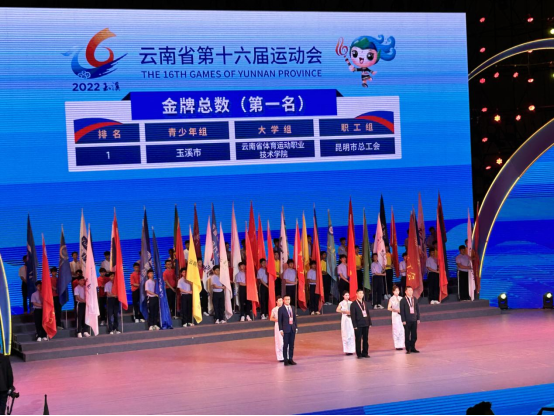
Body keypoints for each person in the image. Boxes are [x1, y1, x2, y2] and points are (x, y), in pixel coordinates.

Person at [349, 288, 372, 359]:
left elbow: (368, 313)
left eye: (362, 293)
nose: (361, 294)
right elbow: (353, 316)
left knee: (365, 339)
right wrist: (354, 325)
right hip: (358, 324)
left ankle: (365, 353)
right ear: (356, 294)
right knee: (358, 339)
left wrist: (369, 322)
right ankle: (359, 354)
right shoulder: (353, 304)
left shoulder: (365, 303)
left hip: (365, 323)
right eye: (359, 293)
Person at [278, 295, 298, 366]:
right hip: (285, 329)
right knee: (285, 345)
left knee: (291, 345)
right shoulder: (281, 309)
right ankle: (285, 360)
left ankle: (290, 359)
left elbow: (295, 318)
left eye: (288, 299)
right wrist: (280, 329)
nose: (287, 301)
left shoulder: (292, 307)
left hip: (292, 328)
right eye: (286, 299)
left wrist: (296, 327)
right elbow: (280, 320)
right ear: (283, 300)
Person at [400, 286, 420, 354]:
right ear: (406, 292)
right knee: (407, 335)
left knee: (414, 335)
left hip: (414, 319)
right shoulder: (403, 300)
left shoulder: (415, 299)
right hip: (407, 320)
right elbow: (402, 311)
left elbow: (417, 309)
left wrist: (418, 318)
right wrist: (403, 320)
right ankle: (408, 348)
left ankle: (413, 347)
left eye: (411, 290)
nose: (411, 292)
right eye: (409, 290)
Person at [336, 291, 355, 355]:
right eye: (346, 295)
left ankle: (351, 350)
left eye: (348, 295)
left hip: (350, 318)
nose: (347, 296)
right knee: (345, 333)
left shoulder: (351, 303)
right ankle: (346, 350)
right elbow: (337, 310)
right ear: (343, 296)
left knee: (351, 333)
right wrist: (344, 311)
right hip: (345, 318)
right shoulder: (341, 303)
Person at [387, 285, 405, 350]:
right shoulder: (391, 299)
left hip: (401, 314)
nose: (397, 292)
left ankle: (401, 344)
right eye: (395, 291)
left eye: (398, 291)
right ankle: (397, 345)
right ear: (393, 292)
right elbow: (388, 308)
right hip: (395, 314)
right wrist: (395, 310)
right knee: (396, 329)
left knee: (401, 329)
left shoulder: (401, 298)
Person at [269, 296, 284, 362]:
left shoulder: (285, 308)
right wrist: (277, 320)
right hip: (278, 325)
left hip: (285, 325)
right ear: (276, 302)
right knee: (279, 341)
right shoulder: (274, 309)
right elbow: (271, 318)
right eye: (279, 301)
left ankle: (286, 356)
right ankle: (280, 357)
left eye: (281, 300)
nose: (281, 302)